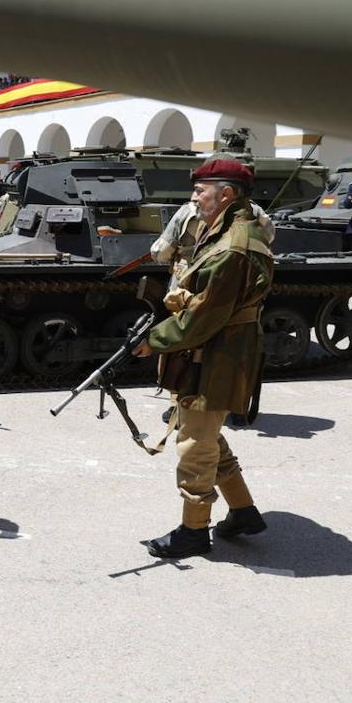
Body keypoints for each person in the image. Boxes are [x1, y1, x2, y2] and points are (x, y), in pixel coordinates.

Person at [132, 157, 273, 559]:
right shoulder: (224, 227)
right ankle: (244, 512)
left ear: (225, 194)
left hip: (218, 348)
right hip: (214, 343)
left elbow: (206, 315)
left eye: (200, 191)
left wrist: (154, 341)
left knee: (195, 441)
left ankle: (194, 532)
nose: (193, 196)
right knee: (206, 430)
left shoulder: (233, 244)